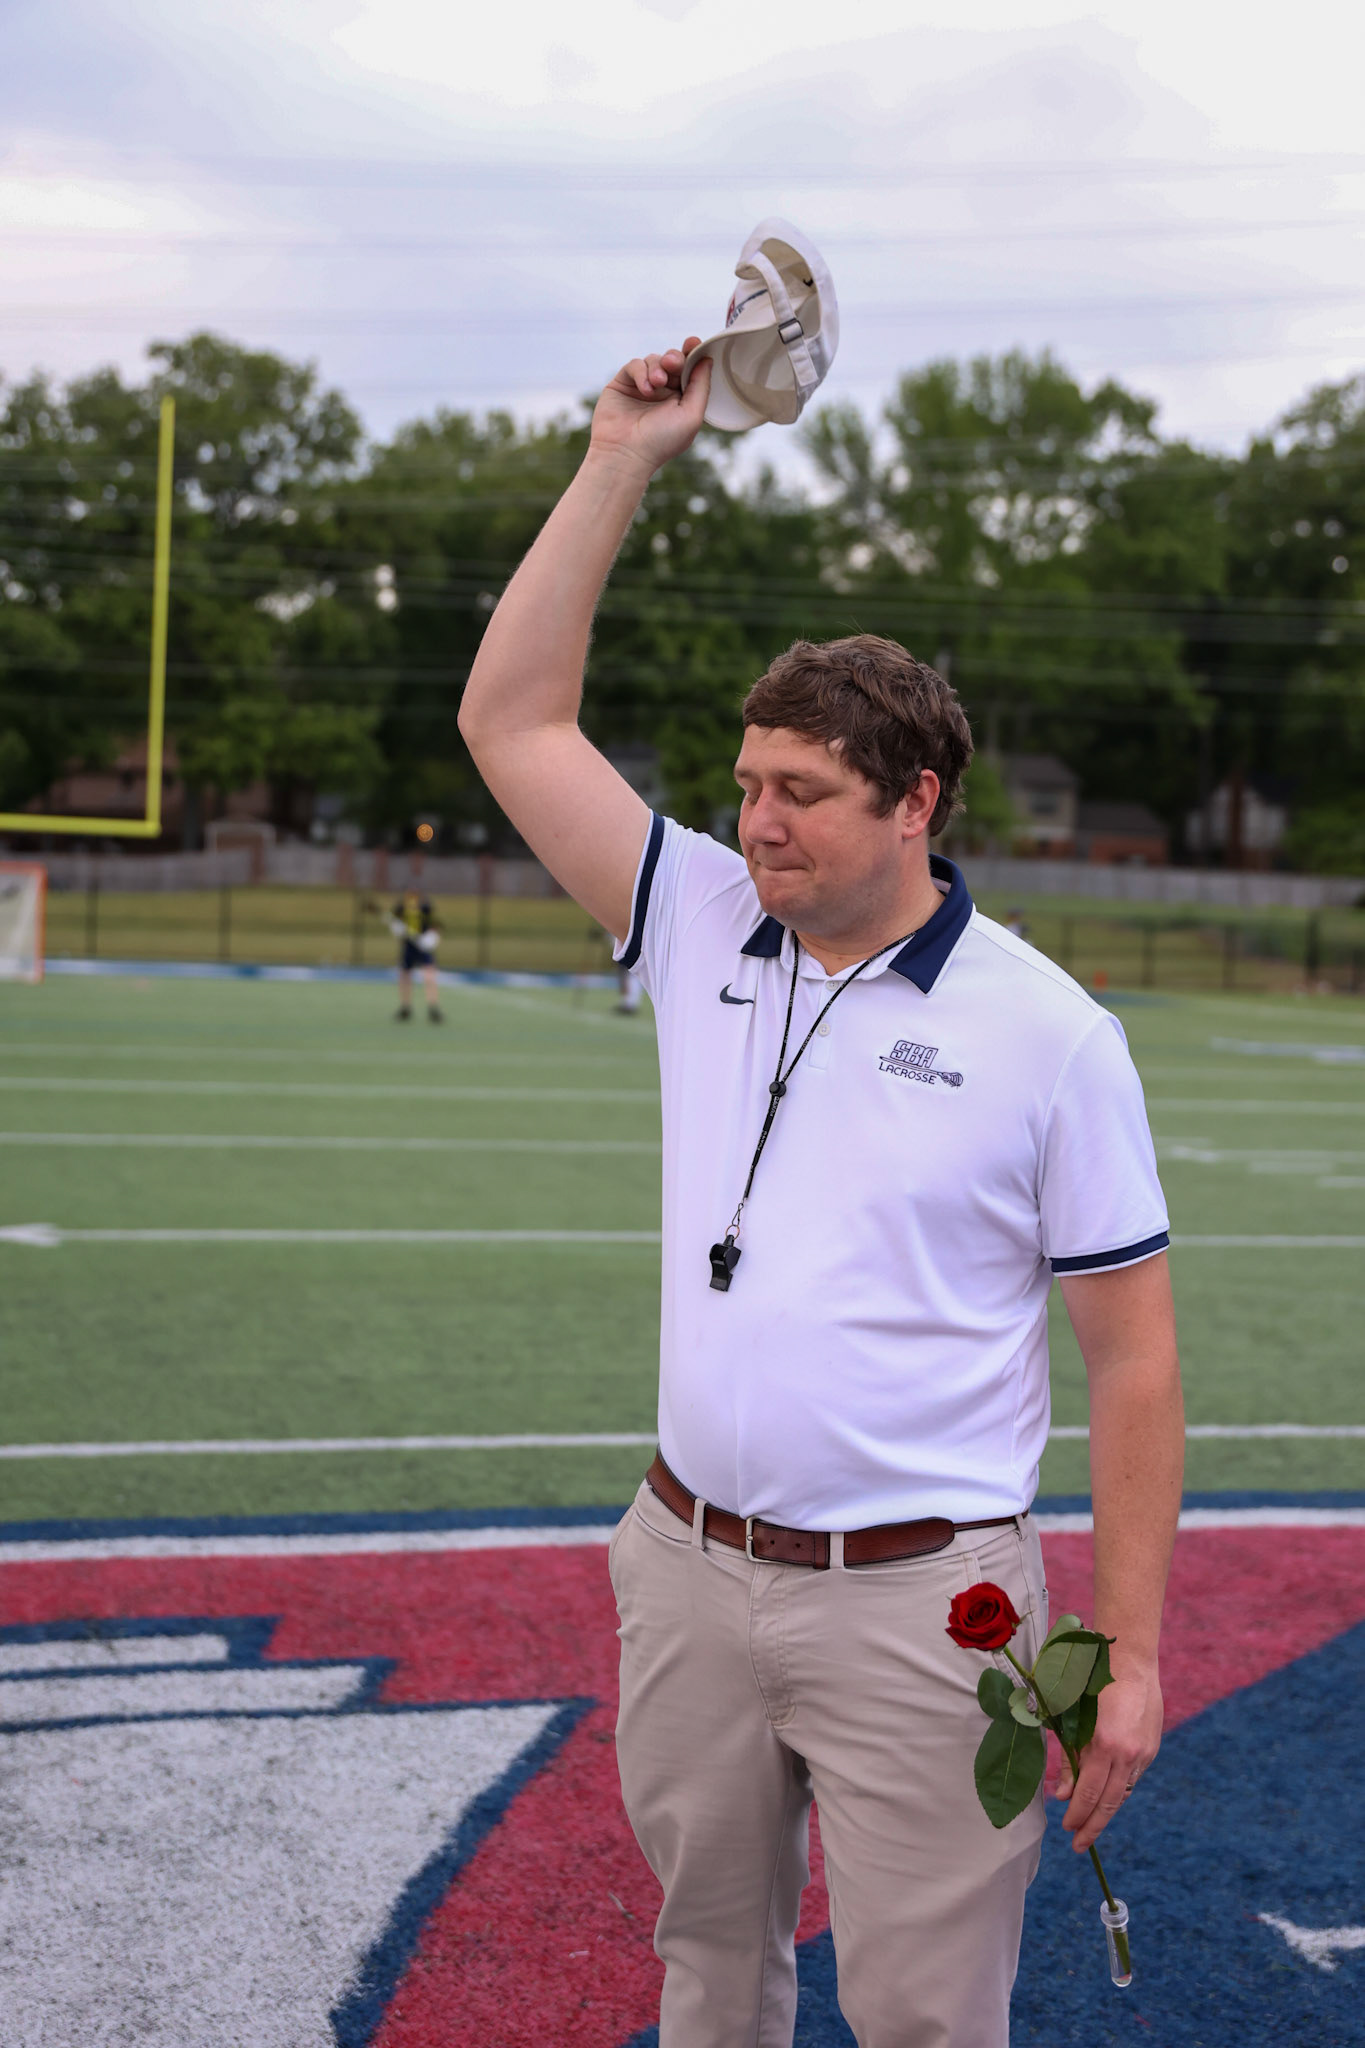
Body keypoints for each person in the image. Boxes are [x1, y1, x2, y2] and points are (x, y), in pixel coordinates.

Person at [457, 340, 1184, 2048]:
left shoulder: (1052, 1034)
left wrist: (1134, 1655)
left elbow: (1134, 1361)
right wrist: (621, 455)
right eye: (743, 781)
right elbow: (513, 718)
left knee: (930, 2018)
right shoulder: (705, 914)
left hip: (932, 1599)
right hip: (687, 1562)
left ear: (915, 800)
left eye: (799, 794)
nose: (751, 821)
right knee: (708, 1984)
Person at [386, 891, 443, 1022]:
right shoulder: (401, 909)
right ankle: (405, 1007)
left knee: (429, 975)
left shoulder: (425, 909)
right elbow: (395, 924)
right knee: (405, 975)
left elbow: (435, 926)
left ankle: (433, 1007)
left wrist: (430, 938)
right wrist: (397, 929)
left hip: (423, 947)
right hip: (409, 947)